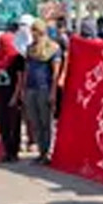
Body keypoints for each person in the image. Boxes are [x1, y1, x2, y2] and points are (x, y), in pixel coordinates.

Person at [24, 20, 62, 164]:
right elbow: (27, 70)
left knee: (46, 122)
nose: (32, 33)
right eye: (31, 30)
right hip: (31, 89)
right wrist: (23, 89)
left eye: (35, 30)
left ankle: (48, 153)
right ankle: (41, 152)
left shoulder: (53, 48)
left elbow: (55, 73)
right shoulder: (30, 49)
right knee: (35, 122)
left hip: (44, 88)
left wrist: (53, 92)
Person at [0, 33, 26, 163]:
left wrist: (16, 96)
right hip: (0, 95)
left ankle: (14, 151)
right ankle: (6, 151)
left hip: (13, 94)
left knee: (14, 125)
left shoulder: (17, 58)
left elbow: (20, 79)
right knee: (3, 125)